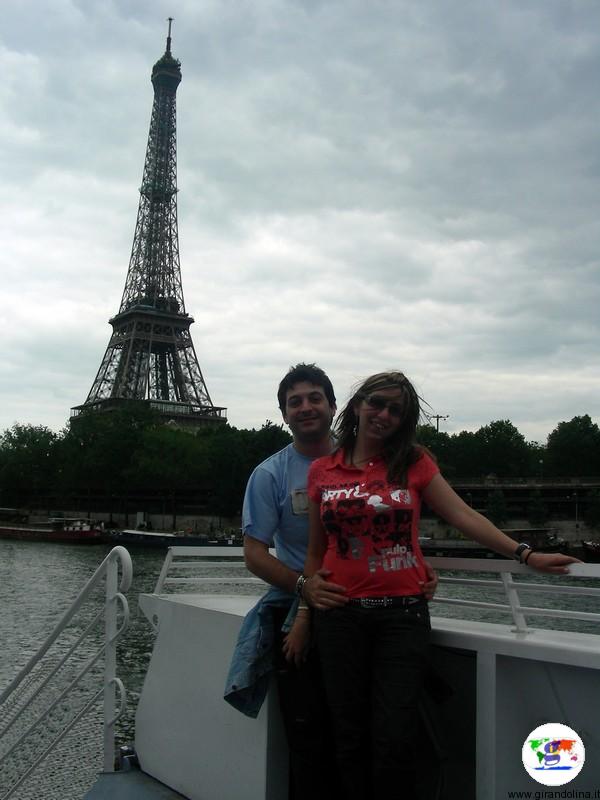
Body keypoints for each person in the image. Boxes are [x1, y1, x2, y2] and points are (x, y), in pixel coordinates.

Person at [290, 370, 579, 799]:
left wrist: (525, 554)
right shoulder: (321, 471)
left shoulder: (413, 462)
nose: (384, 414)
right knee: (347, 735)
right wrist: (305, 613)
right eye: (377, 403)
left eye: (395, 410)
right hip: (339, 617)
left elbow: (463, 516)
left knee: (395, 736)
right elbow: (317, 552)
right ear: (357, 405)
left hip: (401, 617)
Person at [225, 364, 437, 799]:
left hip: (364, 609)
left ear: (335, 405)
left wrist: (418, 564)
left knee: (378, 731)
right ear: (283, 414)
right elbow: (253, 554)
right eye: (295, 401)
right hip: (306, 609)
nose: (305, 407)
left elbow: (391, 523)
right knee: (313, 733)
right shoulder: (270, 475)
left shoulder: (367, 458)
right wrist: (305, 591)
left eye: (314, 398)